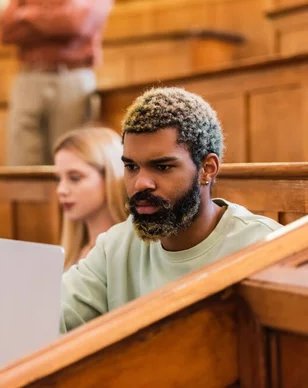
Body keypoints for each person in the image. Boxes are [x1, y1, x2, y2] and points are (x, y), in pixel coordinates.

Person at [60, 87, 283, 332]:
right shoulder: (114, 247)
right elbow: (52, 318)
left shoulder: (267, 247)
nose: (140, 183)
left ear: (207, 169)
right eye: (132, 167)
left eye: (162, 167)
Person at [0, 0, 114, 166]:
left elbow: (75, 23)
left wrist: (27, 14)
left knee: (72, 161)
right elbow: (6, 29)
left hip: (72, 79)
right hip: (28, 78)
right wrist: (55, 17)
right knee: (21, 166)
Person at [54, 127, 128, 269]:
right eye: (58, 179)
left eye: (74, 178)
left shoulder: (126, 252)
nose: (61, 190)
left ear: (109, 176)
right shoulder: (72, 252)